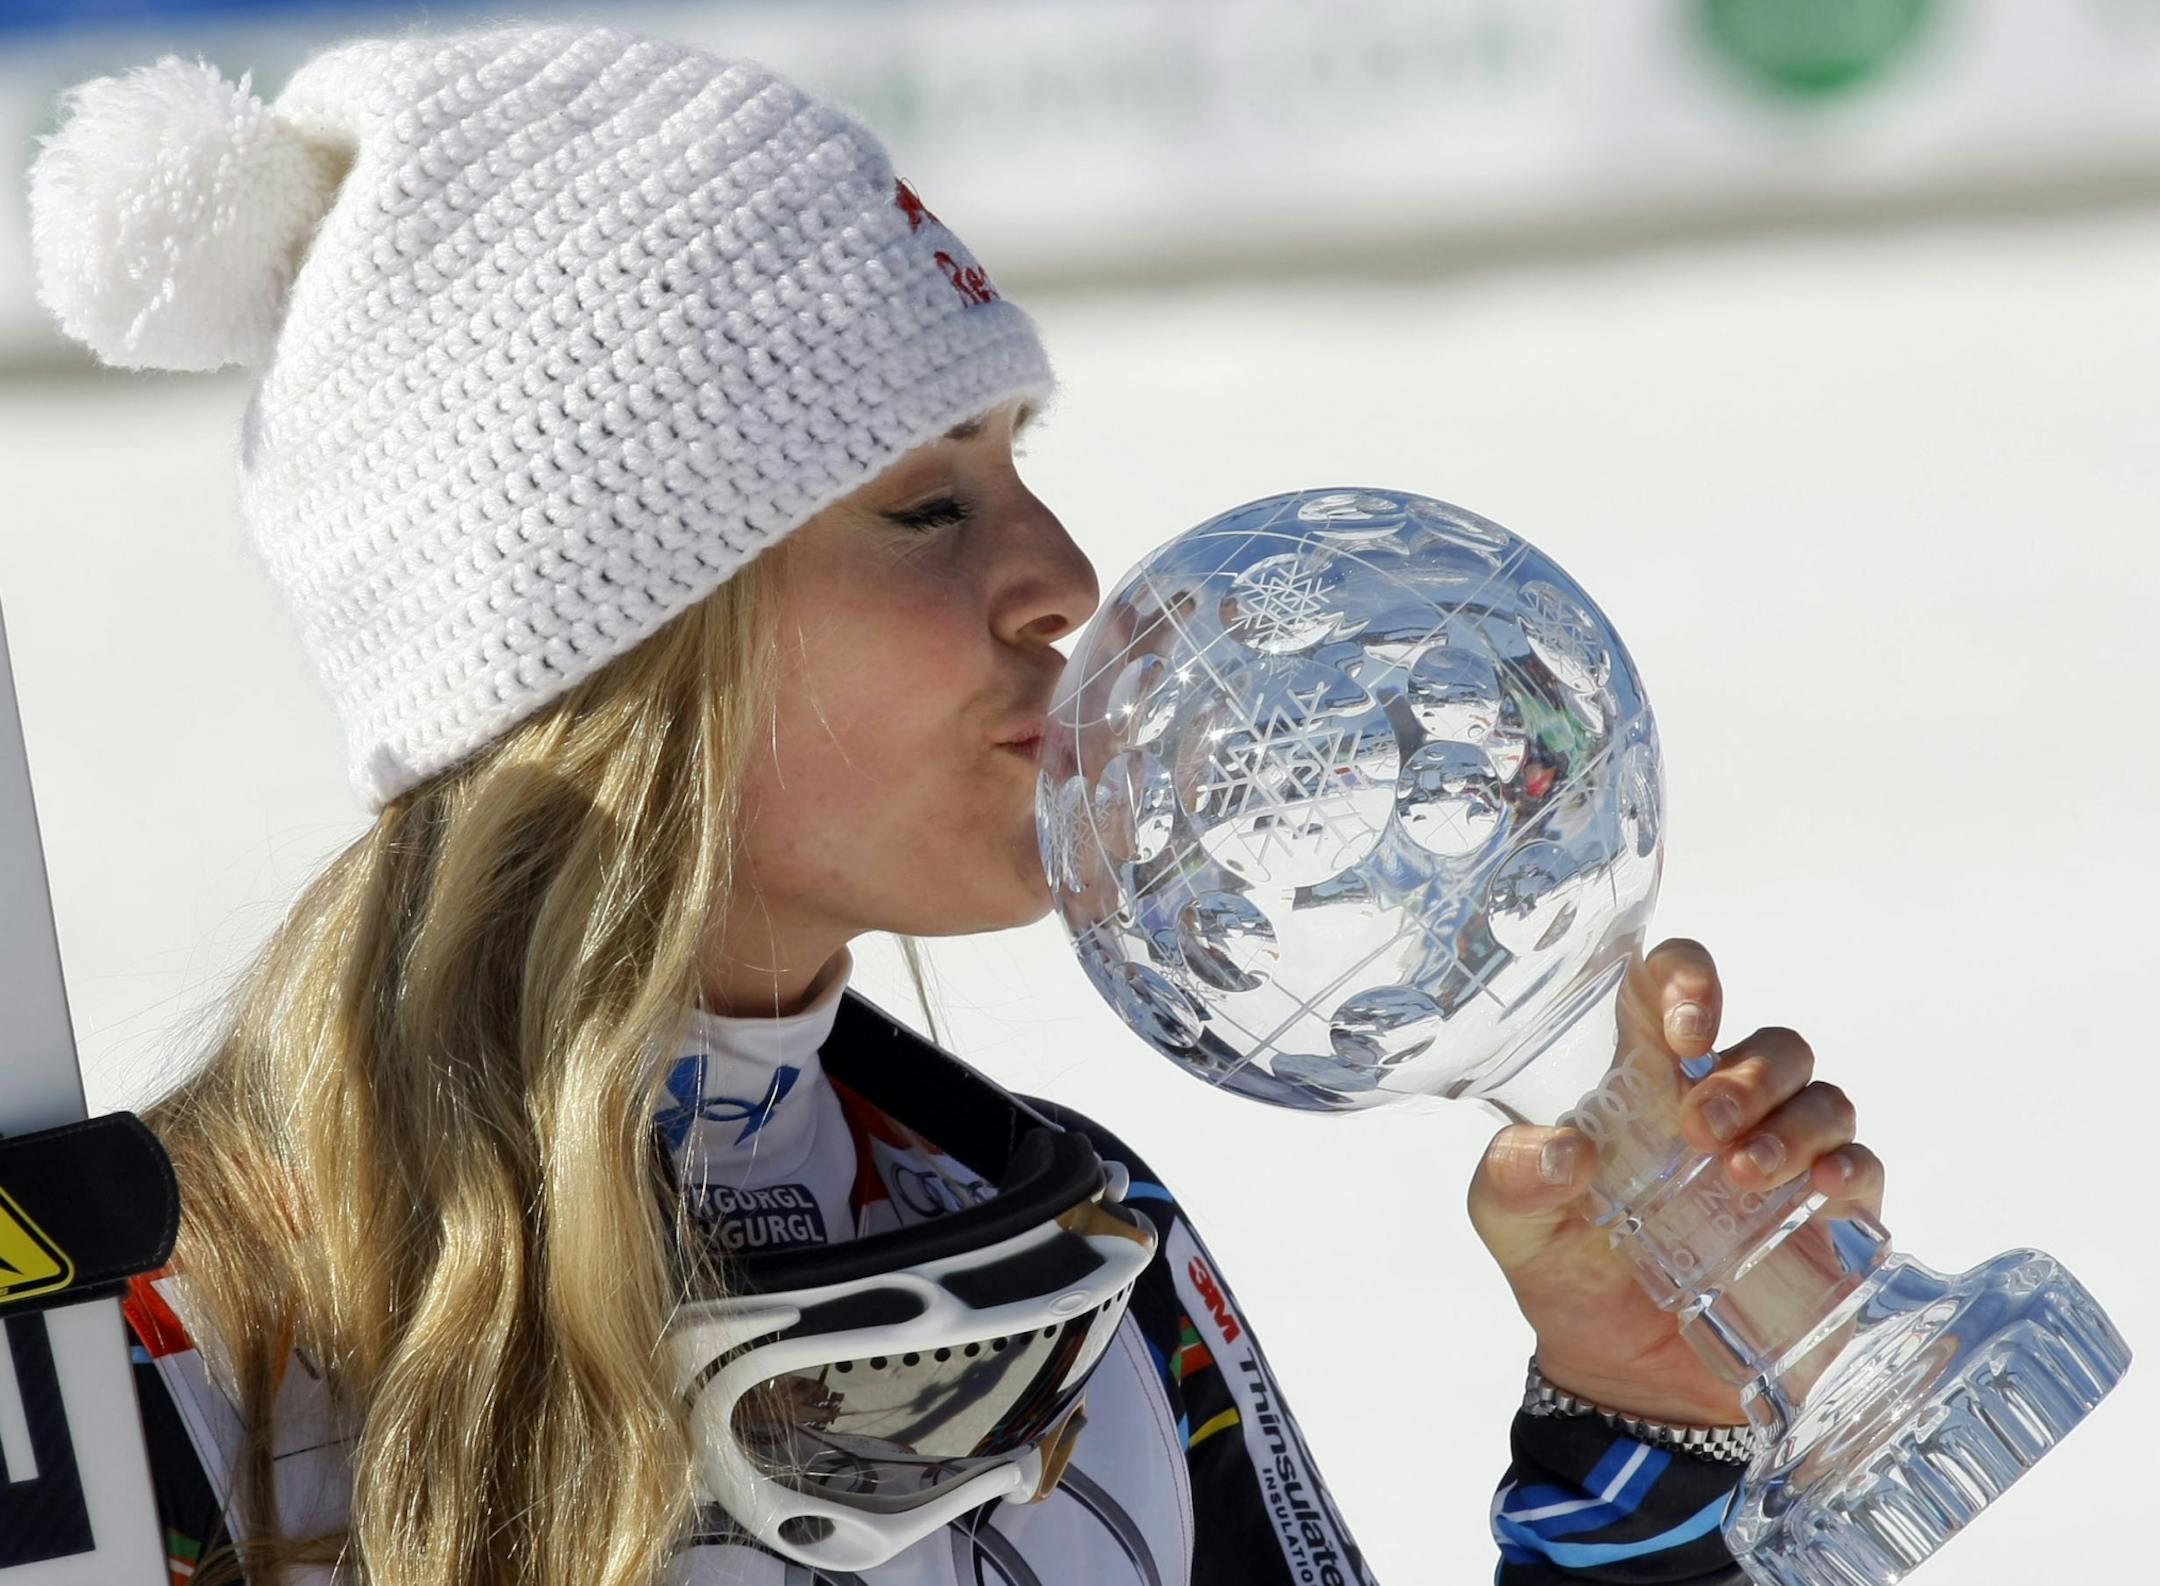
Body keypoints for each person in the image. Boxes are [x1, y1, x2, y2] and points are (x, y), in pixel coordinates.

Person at [24, 20, 1882, 1586]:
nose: (1065, 577)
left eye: (1018, 470)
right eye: (930, 506)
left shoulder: (1076, 1244)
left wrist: (1643, 1432)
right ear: (611, 655)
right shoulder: (172, 1352)